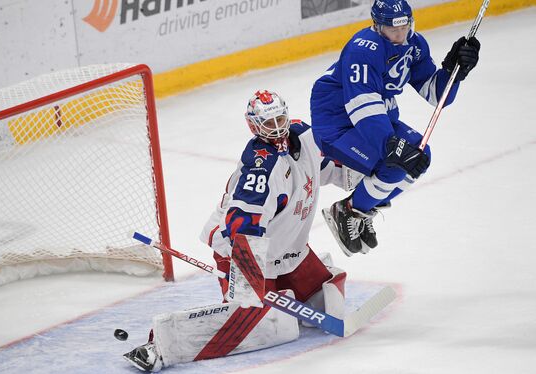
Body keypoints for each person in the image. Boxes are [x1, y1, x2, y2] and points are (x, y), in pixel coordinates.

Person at [123, 90, 361, 372]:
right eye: (268, 123)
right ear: (254, 127)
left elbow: (332, 166)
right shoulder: (259, 169)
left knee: (327, 303)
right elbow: (240, 227)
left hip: (288, 250)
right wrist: (248, 277)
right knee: (263, 324)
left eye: (279, 119)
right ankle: (162, 343)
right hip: (243, 252)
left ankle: (281, 291)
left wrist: (370, 171)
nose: (277, 127)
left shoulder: (305, 137)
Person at [310, 0, 481, 255]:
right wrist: (388, 144)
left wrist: (454, 70)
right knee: (394, 161)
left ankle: (360, 208)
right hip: (336, 118)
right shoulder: (363, 49)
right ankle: (348, 211)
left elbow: (435, 93)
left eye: (405, 27)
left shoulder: (415, 44)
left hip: (375, 114)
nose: (400, 35)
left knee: (420, 156)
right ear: (377, 26)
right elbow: (362, 104)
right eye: (393, 29)